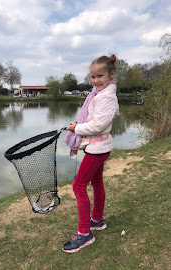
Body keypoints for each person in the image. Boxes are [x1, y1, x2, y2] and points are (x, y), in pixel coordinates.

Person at [63, 54, 119, 253]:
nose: (96, 80)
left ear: (111, 74)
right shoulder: (97, 93)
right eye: (93, 77)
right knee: (96, 184)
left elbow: (98, 125)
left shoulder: (107, 96)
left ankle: (84, 233)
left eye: (100, 76)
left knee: (78, 186)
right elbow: (95, 122)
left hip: (98, 149)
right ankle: (96, 220)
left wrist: (77, 128)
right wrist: (78, 126)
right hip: (98, 147)